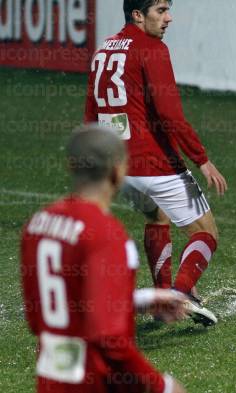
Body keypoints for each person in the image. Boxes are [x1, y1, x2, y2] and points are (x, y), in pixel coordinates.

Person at [84, 0, 227, 323]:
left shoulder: (105, 49)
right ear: (138, 14)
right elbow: (169, 113)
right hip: (155, 163)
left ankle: (162, 298)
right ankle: (181, 294)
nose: (168, 18)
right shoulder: (151, 48)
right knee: (207, 233)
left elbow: (91, 110)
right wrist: (201, 159)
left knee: (157, 217)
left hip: (118, 167)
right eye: (160, 10)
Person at [21, 126, 188, 392]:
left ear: (71, 166)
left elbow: (56, 306)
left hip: (52, 379)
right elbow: (109, 338)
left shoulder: (38, 223)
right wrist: (161, 386)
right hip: (95, 381)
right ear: (118, 170)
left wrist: (139, 299)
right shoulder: (106, 235)